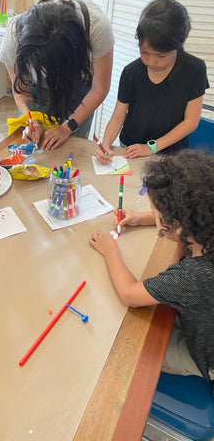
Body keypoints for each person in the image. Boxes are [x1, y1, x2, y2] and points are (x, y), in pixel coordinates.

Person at [89, 150, 214, 380]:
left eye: (156, 214)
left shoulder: (190, 277)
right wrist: (141, 217)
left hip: (208, 355)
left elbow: (129, 294)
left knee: (137, 346)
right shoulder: (206, 223)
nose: (153, 216)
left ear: (177, 224)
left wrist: (110, 250)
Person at [96, 0, 209, 164]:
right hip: (131, 147)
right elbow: (118, 115)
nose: (151, 62)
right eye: (144, 52)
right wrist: (105, 145)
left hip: (171, 153)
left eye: (161, 56)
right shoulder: (131, 72)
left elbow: (191, 122)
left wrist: (152, 147)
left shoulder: (194, 69)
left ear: (181, 42)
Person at [0, 0, 114, 150]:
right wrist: (32, 121)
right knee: (36, 148)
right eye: (41, 67)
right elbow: (21, 88)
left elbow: (100, 88)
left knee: (72, 151)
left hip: (79, 92)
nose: (47, 73)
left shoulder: (95, 26)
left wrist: (68, 127)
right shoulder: (15, 33)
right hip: (36, 90)